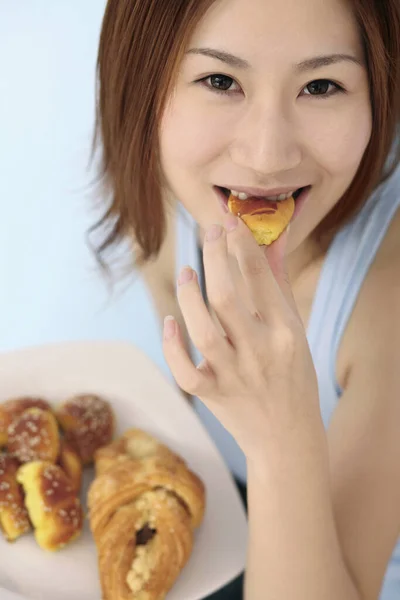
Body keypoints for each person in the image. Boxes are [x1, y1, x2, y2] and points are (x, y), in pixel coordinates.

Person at [91, 0, 400, 598]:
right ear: (139, 84)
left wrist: (282, 431)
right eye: (219, 80)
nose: (266, 157)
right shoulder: (169, 182)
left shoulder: (388, 305)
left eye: (321, 85)